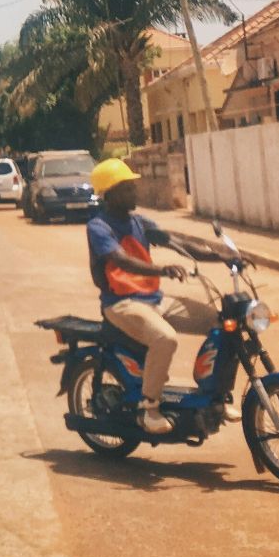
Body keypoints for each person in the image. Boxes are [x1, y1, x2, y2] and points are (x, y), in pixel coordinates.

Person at [85, 158, 219, 433]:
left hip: (153, 299)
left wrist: (222, 255)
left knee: (217, 321)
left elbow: (176, 241)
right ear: (109, 194)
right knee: (165, 338)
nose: (135, 192)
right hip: (121, 304)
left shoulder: (140, 221)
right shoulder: (99, 226)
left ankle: (213, 396)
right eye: (127, 188)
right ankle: (149, 407)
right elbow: (121, 261)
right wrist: (162, 269)